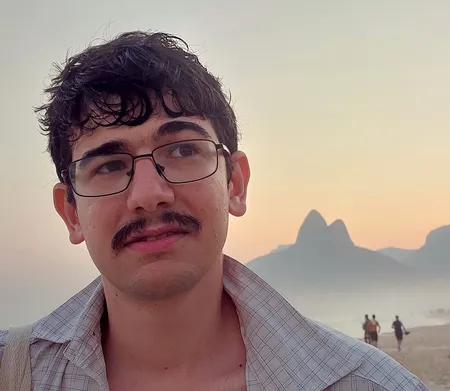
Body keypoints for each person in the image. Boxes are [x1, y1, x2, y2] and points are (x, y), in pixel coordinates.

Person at [0, 31, 429, 391]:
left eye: (184, 149)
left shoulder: (369, 383)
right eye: (109, 165)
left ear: (235, 184)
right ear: (71, 212)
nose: (149, 195)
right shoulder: (16, 373)